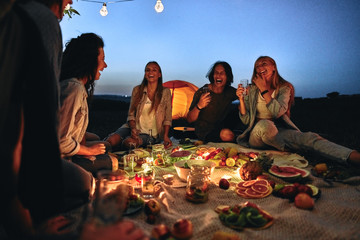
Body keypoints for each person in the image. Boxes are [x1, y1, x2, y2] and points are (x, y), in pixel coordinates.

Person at [236, 56, 360, 166]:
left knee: (309, 138)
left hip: (279, 132)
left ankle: (352, 157)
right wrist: (241, 99)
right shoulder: (251, 90)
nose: (260, 67)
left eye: (264, 63)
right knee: (265, 125)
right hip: (257, 135)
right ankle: (292, 150)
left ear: (273, 67)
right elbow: (246, 120)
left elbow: (277, 113)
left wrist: (264, 90)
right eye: (257, 66)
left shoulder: (284, 88)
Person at [59, 33, 119, 176]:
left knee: (103, 145)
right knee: (114, 162)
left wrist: (85, 148)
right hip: (61, 161)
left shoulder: (77, 87)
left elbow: (72, 128)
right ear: (89, 61)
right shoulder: (74, 89)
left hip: (69, 154)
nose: (105, 65)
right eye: (102, 60)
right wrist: (89, 151)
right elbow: (61, 141)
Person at [105, 61, 172, 150]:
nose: (150, 72)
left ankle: (119, 153)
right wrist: (133, 128)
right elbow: (131, 115)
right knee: (111, 140)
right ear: (145, 74)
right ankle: (97, 154)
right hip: (133, 128)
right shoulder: (137, 90)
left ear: (159, 74)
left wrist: (166, 136)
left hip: (151, 134)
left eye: (154, 70)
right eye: (147, 70)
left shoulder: (165, 92)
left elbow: (168, 117)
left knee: (129, 143)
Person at [186, 61, 238, 143]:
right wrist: (199, 106)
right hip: (205, 132)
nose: (218, 75)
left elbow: (244, 96)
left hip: (221, 127)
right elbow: (189, 119)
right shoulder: (203, 92)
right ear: (212, 75)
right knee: (227, 135)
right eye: (216, 72)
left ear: (227, 76)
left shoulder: (230, 91)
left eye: (222, 73)